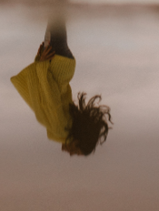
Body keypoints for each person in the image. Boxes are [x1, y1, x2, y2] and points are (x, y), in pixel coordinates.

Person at [10, 17, 112, 156]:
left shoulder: (66, 125)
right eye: (75, 151)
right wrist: (41, 65)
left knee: (56, 14)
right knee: (56, 12)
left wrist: (40, 59)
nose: (70, 154)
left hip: (61, 65)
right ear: (77, 141)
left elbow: (47, 95)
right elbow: (50, 95)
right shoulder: (61, 129)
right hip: (55, 64)